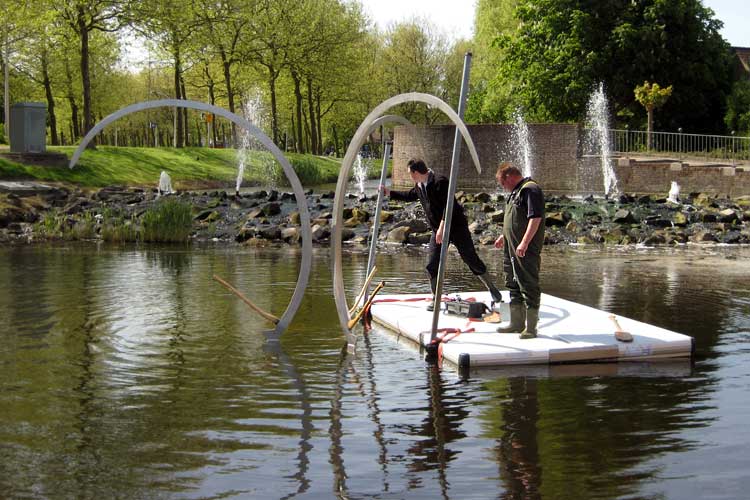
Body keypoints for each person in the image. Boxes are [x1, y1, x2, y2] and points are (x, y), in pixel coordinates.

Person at [382, 158, 503, 310]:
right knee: (432, 264)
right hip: (437, 230)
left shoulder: (440, 182)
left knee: (470, 258)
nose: (409, 176)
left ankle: (491, 287)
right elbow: (410, 195)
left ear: (416, 172)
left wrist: (442, 227)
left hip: (456, 227)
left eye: (410, 173)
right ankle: (436, 298)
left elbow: (449, 205)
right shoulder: (419, 185)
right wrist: (389, 193)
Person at [494, 163, 545, 339]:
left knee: (528, 284)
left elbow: (535, 218)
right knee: (513, 283)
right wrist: (504, 236)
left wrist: (524, 243)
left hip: (525, 249)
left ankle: (531, 328)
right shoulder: (516, 192)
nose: (503, 187)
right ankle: (516, 323)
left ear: (509, 176)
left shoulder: (530, 189)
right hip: (511, 247)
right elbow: (513, 220)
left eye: (502, 183)